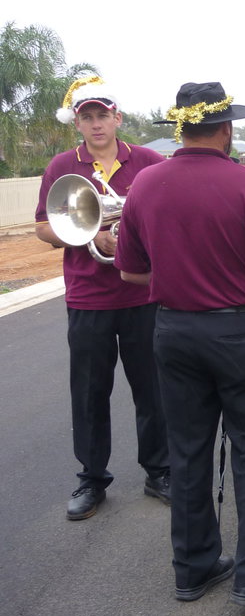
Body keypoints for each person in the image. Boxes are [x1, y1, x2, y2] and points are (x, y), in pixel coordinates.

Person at [115, 81, 245, 607]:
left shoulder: (147, 185)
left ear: (180, 130)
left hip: (174, 331)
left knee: (188, 451)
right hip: (237, 330)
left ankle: (194, 566)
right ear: (225, 130)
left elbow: (131, 273)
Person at [36, 75, 170, 521]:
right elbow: (43, 228)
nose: (96, 124)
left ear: (117, 117)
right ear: (78, 123)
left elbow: (165, 218)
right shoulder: (62, 167)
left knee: (151, 388)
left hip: (140, 294)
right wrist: (91, 233)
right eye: (87, 117)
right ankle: (91, 478)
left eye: (103, 115)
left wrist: (129, 240)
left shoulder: (148, 161)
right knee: (90, 391)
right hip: (88, 297)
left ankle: (159, 470)